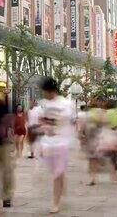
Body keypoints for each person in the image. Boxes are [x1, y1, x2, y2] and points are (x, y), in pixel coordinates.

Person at [38, 77, 75, 213]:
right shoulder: (43, 104)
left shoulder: (65, 103)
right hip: (48, 143)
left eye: (44, 91)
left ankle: (55, 203)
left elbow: (64, 121)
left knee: (57, 175)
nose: (43, 94)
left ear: (49, 91)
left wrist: (48, 121)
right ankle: (60, 190)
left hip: (61, 143)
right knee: (56, 172)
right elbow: (42, 121)